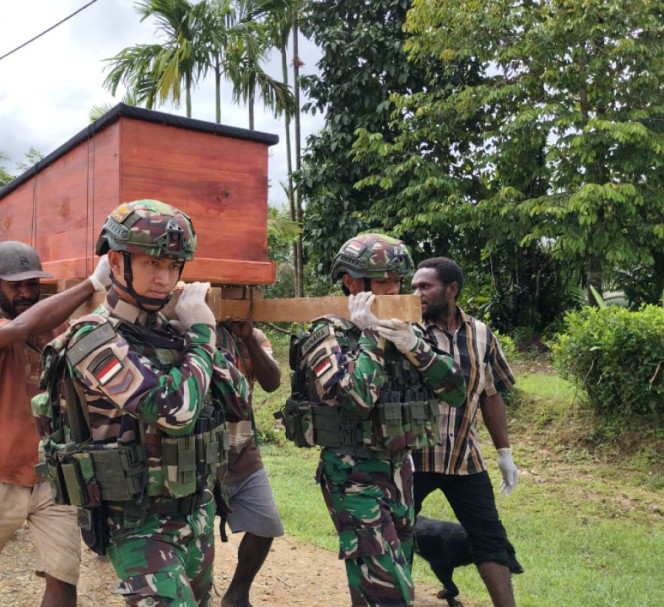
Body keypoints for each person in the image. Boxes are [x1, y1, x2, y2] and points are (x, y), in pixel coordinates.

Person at [35, 200, 251, 606]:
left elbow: (240, 401)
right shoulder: (92, 338)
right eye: (153, 264)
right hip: (138, 522)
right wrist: (203, 339)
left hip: (195, 508)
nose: (164, 279)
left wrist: (200, 337)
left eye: (173, 267)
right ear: (116, 262)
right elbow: (174, 412)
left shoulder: (176, 333)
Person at [278, 233, 466, 606]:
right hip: (354, 476)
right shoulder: (326, 334)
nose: (394, 290)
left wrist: (416, 349)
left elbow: (457, 391)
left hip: (400, 471)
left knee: (399, 576)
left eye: (397, 281)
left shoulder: (405, 328)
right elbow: (355, 399)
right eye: (383, 281)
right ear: (351, 283)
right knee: (387, 591)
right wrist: (370, 337)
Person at [0, 241, 109, 607]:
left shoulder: (57, 327)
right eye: (13, 284)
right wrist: (92, 283)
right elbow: (19, 329)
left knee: (64, 578)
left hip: (53, 474)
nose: (24, 292)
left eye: (31, 284)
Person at [411, 257, 520, 607]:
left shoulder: (482, 334)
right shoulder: (407, 329)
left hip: (463, 457)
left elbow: (491, 395)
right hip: (412, 456)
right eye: (413, 287)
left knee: (489, 536)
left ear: (451, 290)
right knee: (397, 531)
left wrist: (505, 453)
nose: (417, 293)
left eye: (425, 287)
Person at [215, 321, 285, 607]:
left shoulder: (253, 335)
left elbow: (272, 382)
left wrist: (248, 339)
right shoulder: (184, 324)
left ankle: (237, 593)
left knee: (266, 524)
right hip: (194, 453)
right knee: (192, 531)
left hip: (241, 446)